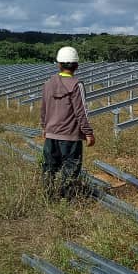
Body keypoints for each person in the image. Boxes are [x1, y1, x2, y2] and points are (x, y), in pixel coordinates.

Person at [40, 46, 95, 200]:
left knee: (49, 168)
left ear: (59, 64)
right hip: (70, 136)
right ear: (76, 65)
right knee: (70, 168)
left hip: (51, 134)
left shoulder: (48, 84)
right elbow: (81, 111)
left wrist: (44, 127)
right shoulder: (77, 85)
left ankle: (48, 197)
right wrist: (88, 132)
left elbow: (43, 108)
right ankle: (67, 199)